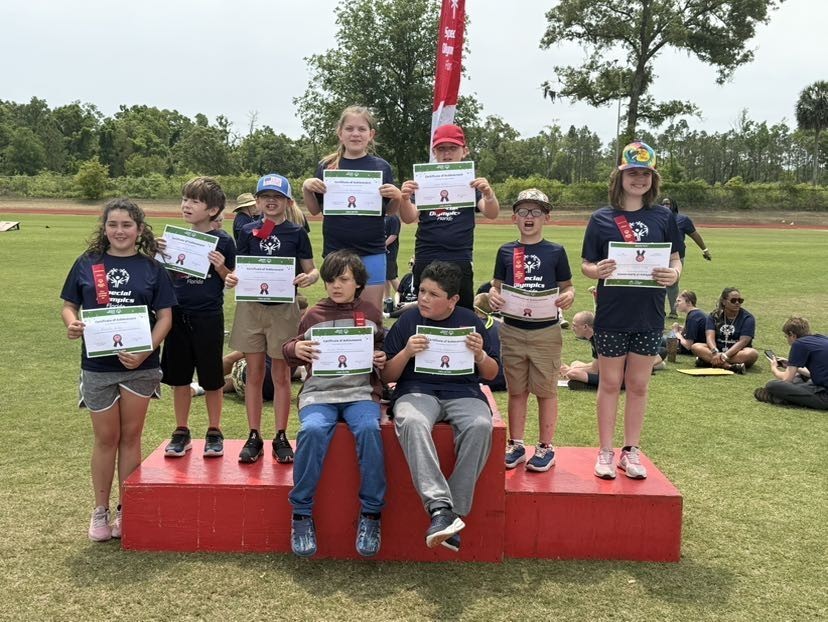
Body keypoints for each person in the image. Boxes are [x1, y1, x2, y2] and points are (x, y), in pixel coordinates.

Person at [60, 198, 175, 541]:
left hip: (140, 367)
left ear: (139, 230)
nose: (120, 231)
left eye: (127, 225)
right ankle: (100, 511)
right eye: (113, 225)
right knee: (105, 438)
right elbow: (69, 305)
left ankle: (128, 509)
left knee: (130, 437)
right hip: (97, 365)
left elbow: (165, 318)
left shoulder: (153, 268)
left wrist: (144, 351)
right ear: (104, 228)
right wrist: (72, 324)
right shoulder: (88, 263)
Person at [581, 141, 682, 480]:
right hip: (612, 313)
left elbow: (675, 259)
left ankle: (631, 451)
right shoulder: (601, 218)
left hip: (649, 313)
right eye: (632, 173)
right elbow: (586, 265)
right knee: (609, 383)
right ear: (620, 175)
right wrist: (598, 271)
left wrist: (675, 274)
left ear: (653, 179)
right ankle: (606, 451)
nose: (639, 179)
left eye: (645, 174)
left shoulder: (664, 217)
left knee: (638, 385)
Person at [382, 261, 500, 552]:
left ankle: (451, 514)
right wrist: (407, 352)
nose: (423, 298)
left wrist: (480, 355)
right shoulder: (407, 321)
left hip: (463, 392)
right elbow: (387, 376)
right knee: (411, 421)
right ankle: (439, 507)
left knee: (481, 425)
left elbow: (493, 373)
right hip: (417, 390)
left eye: (433, 294)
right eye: (422, 291)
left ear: (453, 300)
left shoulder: (471, 321)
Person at [282, 251, 387, 557]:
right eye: (330, 280)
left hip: (359, 392)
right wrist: (296, 348)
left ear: (358, 282)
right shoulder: (313, 314)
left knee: (369, 429)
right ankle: (301, 513)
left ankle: (371, 514)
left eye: (344, 279)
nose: (336, 286)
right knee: (312, 431)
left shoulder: (370, 311)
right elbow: (289, 346)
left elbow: (381, 345)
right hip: (320, 394)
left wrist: (380, 356)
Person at [229, 173, 319, 464]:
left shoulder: (296, 232)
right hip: (252, 307)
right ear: (256, 201)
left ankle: (281, 435)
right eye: (265, 196)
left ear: (287, 201)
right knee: (254, 374)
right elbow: (239, 269)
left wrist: (309, 277)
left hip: (283, 308)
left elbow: (312, 269)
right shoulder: (247, 231)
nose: (271, 201)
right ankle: (254, 435)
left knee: (280, 375)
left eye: (277, 197)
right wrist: (231, 278)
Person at [487, 189, 574, 472]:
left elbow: (567, 287)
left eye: (536, 212)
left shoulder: (556, 251)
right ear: (514, 217)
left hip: (545, 331)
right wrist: (493, 295)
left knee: (546, 391)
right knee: (516, 390)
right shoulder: (505, 251)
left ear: (546, 218)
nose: (529, 217)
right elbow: (495, 287)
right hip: (511, 329)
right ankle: (517, 444)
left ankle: (546, 447)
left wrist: (569, 297)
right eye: (524, 211)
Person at [158, 177, 236, 459]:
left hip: (208, 316)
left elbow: (232, 279)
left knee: (212, 378)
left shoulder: (225, 241)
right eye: (184, 200)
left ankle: (214, 431)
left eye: (194, 201)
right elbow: (163, 278)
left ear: (213, 210)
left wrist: (221, 267)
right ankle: (181, 431)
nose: (186, 206)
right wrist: (158, 253)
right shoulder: (174, 239)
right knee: (180, 379)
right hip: (177, 316)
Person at [302, 105, 402, 313]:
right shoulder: (327, 166)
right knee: (339, 312)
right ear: (340, 133)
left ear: (371, 134)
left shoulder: (381, 167)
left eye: (361, 129)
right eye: (349, 128)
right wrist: (306, 188)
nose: (355, 134)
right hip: (336, 250)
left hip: (372, 250)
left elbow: (390, 211)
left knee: (371, 316)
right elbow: (314, 210)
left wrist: (397, 197)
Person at [399, 124, 500, 310]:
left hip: (459, 257)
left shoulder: (470, 182)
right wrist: (404, 198)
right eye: (441, 149)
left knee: (461, 312)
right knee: (427, 311)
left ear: (465, 151)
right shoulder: (424, 181)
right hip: (427, 255)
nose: (447, 154)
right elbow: (409, 217)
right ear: (434, 152)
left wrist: (488, 194)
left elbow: (491, 213)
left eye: (453, 148)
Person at [754, 317, 828, 410]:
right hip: (821, 384)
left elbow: (786, 379)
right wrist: (789, 364)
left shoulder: (799, 344)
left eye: (786, 337)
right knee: (799, 376)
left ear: (792, 334)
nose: (787, 340)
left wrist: (774, 369)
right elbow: (815, 373)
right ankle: (790, 395)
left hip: (825, 395)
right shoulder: (822, 338)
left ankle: (782, 398)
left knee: (772, 385)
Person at [661, 196, 711, 318]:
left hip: (677, 256)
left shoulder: (683, 220)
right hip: (660, 255)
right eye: (663, 204)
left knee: (673, 283)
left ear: (674, 205)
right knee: (659, 283)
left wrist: (705, 250)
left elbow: (695, 235)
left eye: (668, 203)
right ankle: (659, 311)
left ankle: (673, 311)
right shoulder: (657, 218)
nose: (666, 206)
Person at [692, 287, 759, 373]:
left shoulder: (748, 318)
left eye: (740, 300)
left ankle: (708, 361)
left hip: (737, 352)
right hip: (716, 350)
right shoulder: (714, 316)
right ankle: (729, 367)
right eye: (733, 300)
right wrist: (715, 352)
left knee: (752, 354)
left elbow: (743, 342)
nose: (737, 303)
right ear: (724, 302)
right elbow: (709, 337)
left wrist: (725, 355)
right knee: (696, 347)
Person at [472, 293, 507, 392]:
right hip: (505, 380)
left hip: (481, 380)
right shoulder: (504, 326)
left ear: (476, 309)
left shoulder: (472, 326)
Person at [670, 290, 707, 354]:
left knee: (661, 341)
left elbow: (688, 346)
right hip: (700, 344)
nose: (676, 304)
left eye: (679, 301)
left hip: (689, 348)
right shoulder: (697, 314)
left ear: (689, 302)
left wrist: (676, 332)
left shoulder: (693, 317)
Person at [384, 213, 401, 309]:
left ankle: (402, 295)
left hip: (390, 251)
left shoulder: (393, 218)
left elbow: (394, 235)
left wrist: (384, 244)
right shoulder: (383, 216)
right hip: (382, 251)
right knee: (385, 276)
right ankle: (387, 298)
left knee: (391, 275)